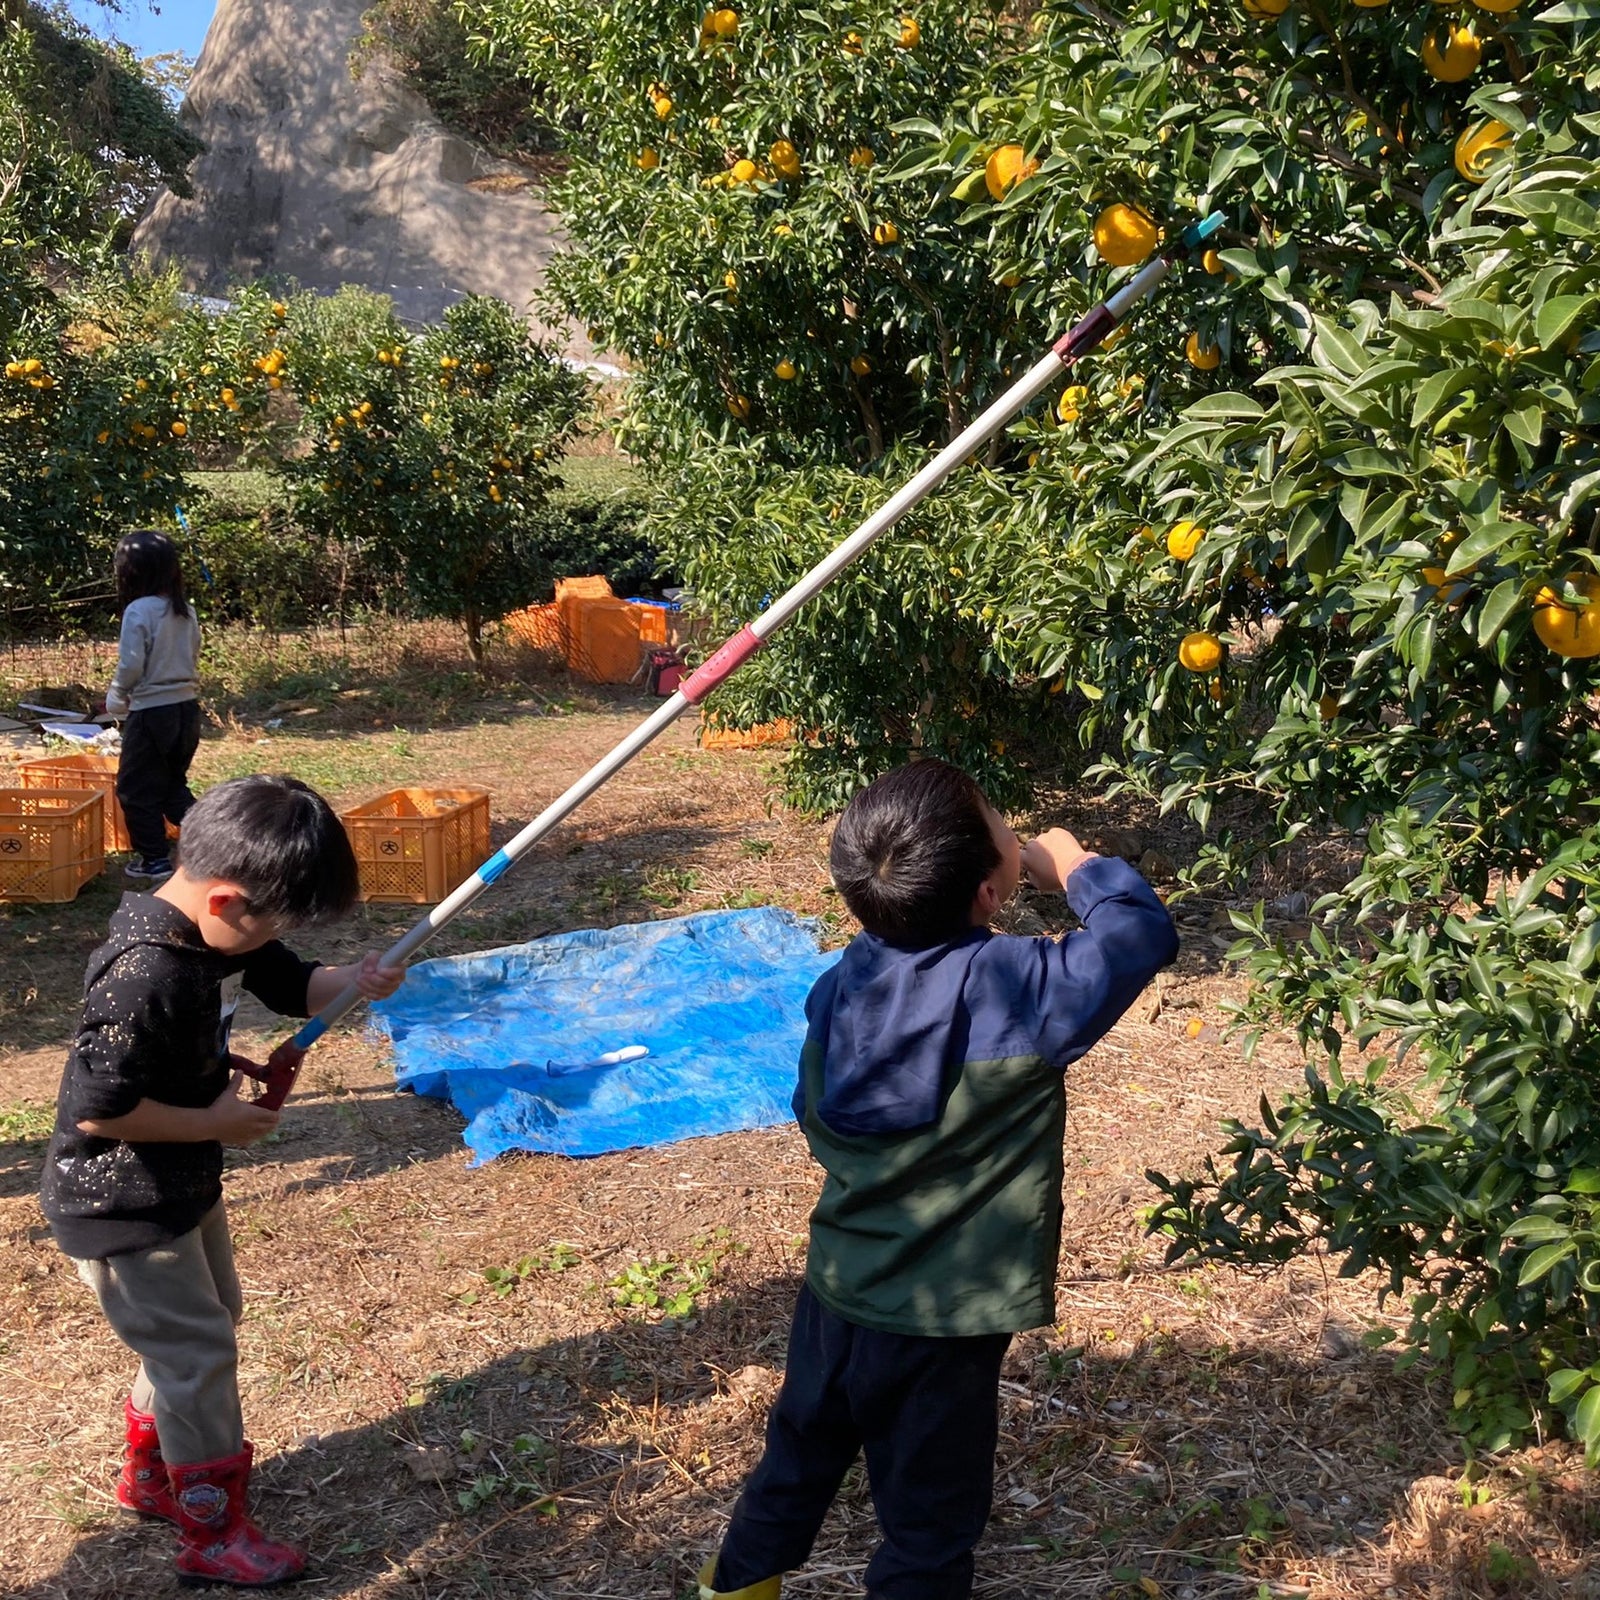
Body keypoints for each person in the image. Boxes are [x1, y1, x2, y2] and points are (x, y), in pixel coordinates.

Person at [697, 759, 1179, 1600]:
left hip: (839, 1287)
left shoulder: (836, 988)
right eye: (1001, 823)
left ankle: (735, 1587)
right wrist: (1070, 862)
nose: (1011, 829)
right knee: (928, 1522)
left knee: (797, 1458)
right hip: (943, 1323)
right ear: (991, 892)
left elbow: (812, 1113)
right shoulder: (1019, 987)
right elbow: (1137, 934)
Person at [39, 774, 404, 1588]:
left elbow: (295, 981)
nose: (281, 935)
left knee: (205, 1325)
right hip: (122, 1198)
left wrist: (358, 979)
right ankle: (212, 1527)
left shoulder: (218, 933)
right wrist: (214, 1121)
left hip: (177, 1183)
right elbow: (102, 1110)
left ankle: (151, 1473)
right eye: (277, 918)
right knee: (195, 1351)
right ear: (229, 900)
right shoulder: (146, 974)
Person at [107, 528, 202, 882]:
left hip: (152, 712)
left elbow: (132, 663)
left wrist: (117, 694)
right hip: (186, 709)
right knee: (171, 784)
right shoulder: (185, 610)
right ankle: (212, 840)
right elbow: (192, 653)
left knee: (135, 789)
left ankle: (154, 861)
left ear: (131, 571)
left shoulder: (139, 610)